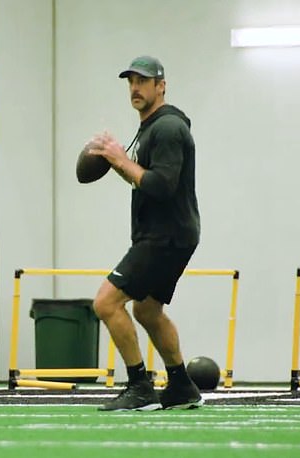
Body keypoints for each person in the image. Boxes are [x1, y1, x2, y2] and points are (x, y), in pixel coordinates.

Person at [86, 55, 203, 411]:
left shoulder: (167, 128)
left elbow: (162, 185)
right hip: (169, 234)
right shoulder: (151, 127)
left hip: (165, 235)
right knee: (147, 311)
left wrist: (121, 160)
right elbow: (145, 179)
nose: (136, 88)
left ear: (161, 86)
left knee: (106, 302)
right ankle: (181, 385)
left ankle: (139, 386)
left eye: (143, 81)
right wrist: (114, 158)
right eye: (131, 82)